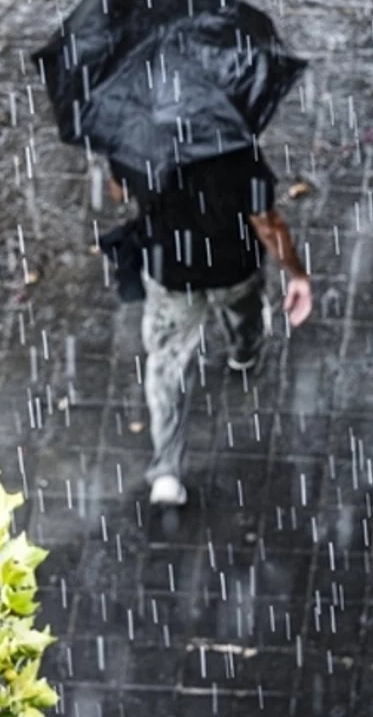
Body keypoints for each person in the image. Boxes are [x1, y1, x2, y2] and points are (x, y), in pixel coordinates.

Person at [105, 145, 312, 507]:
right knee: (243, 311)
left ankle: (167, 472)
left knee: (166, 365)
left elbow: (119, 192)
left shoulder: (134, 140)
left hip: (170, 270)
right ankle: (244, 353)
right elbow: (266, 222)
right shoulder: (233, 148)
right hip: (234, 264)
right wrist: (296, 274)